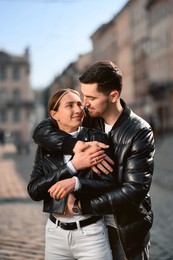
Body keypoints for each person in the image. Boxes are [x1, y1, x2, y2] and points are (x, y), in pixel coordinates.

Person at [33, 61, 155, 260]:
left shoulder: (139, 131)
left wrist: (82, 205)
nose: (84, 104)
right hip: (91, 230)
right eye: (83, 96)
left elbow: (135, 190)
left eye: (91, 97)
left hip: (122, 226)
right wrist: (73, 146)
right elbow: (42, 130)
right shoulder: (89, 117)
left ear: (113, 96)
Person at [27, 88, 116, 260]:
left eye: (79, 104)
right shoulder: (45, 146)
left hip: (91, 233)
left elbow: (109, 185)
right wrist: (72, 167)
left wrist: (77, 183)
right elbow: (34, 190)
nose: (78, 110)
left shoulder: (98, 140)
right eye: (69, 105)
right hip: (55, 233)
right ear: (55, 114)